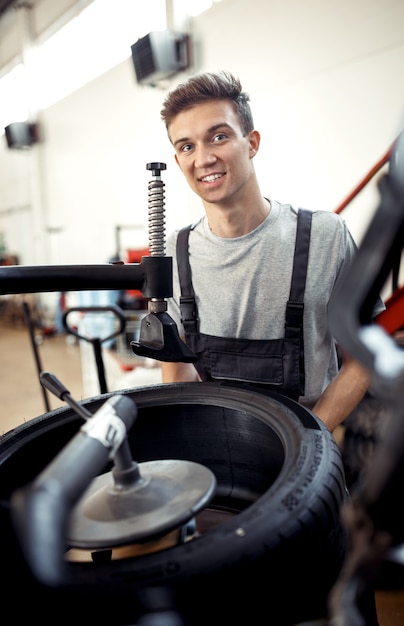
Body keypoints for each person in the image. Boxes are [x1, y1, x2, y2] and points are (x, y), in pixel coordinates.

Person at [158, 70, 385, 434]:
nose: (203, 158)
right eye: (187, 146)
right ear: (178, 159)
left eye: (218, 137)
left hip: (310, 446)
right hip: (220, 446)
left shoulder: (324, 237)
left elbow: (364, 350)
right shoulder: (176, 253)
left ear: (252, 142)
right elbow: (176, 361)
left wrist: (311, 439)